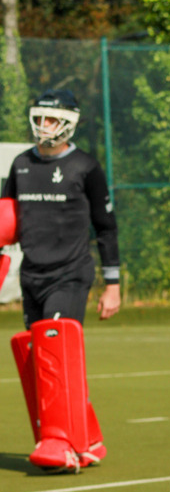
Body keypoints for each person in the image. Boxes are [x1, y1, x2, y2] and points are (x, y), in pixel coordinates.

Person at [1, 88, 121, 471]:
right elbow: (6, 224)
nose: (44, 125)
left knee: (54, 354)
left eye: (51, 119)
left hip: (69, 275)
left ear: (68, 123)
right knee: (41, 359)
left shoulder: (85, 166)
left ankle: (61, 445)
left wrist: (113, 285)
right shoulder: (21, 164)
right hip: (32, 276)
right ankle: (87, 438)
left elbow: (106, 227)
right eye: (39, 118)